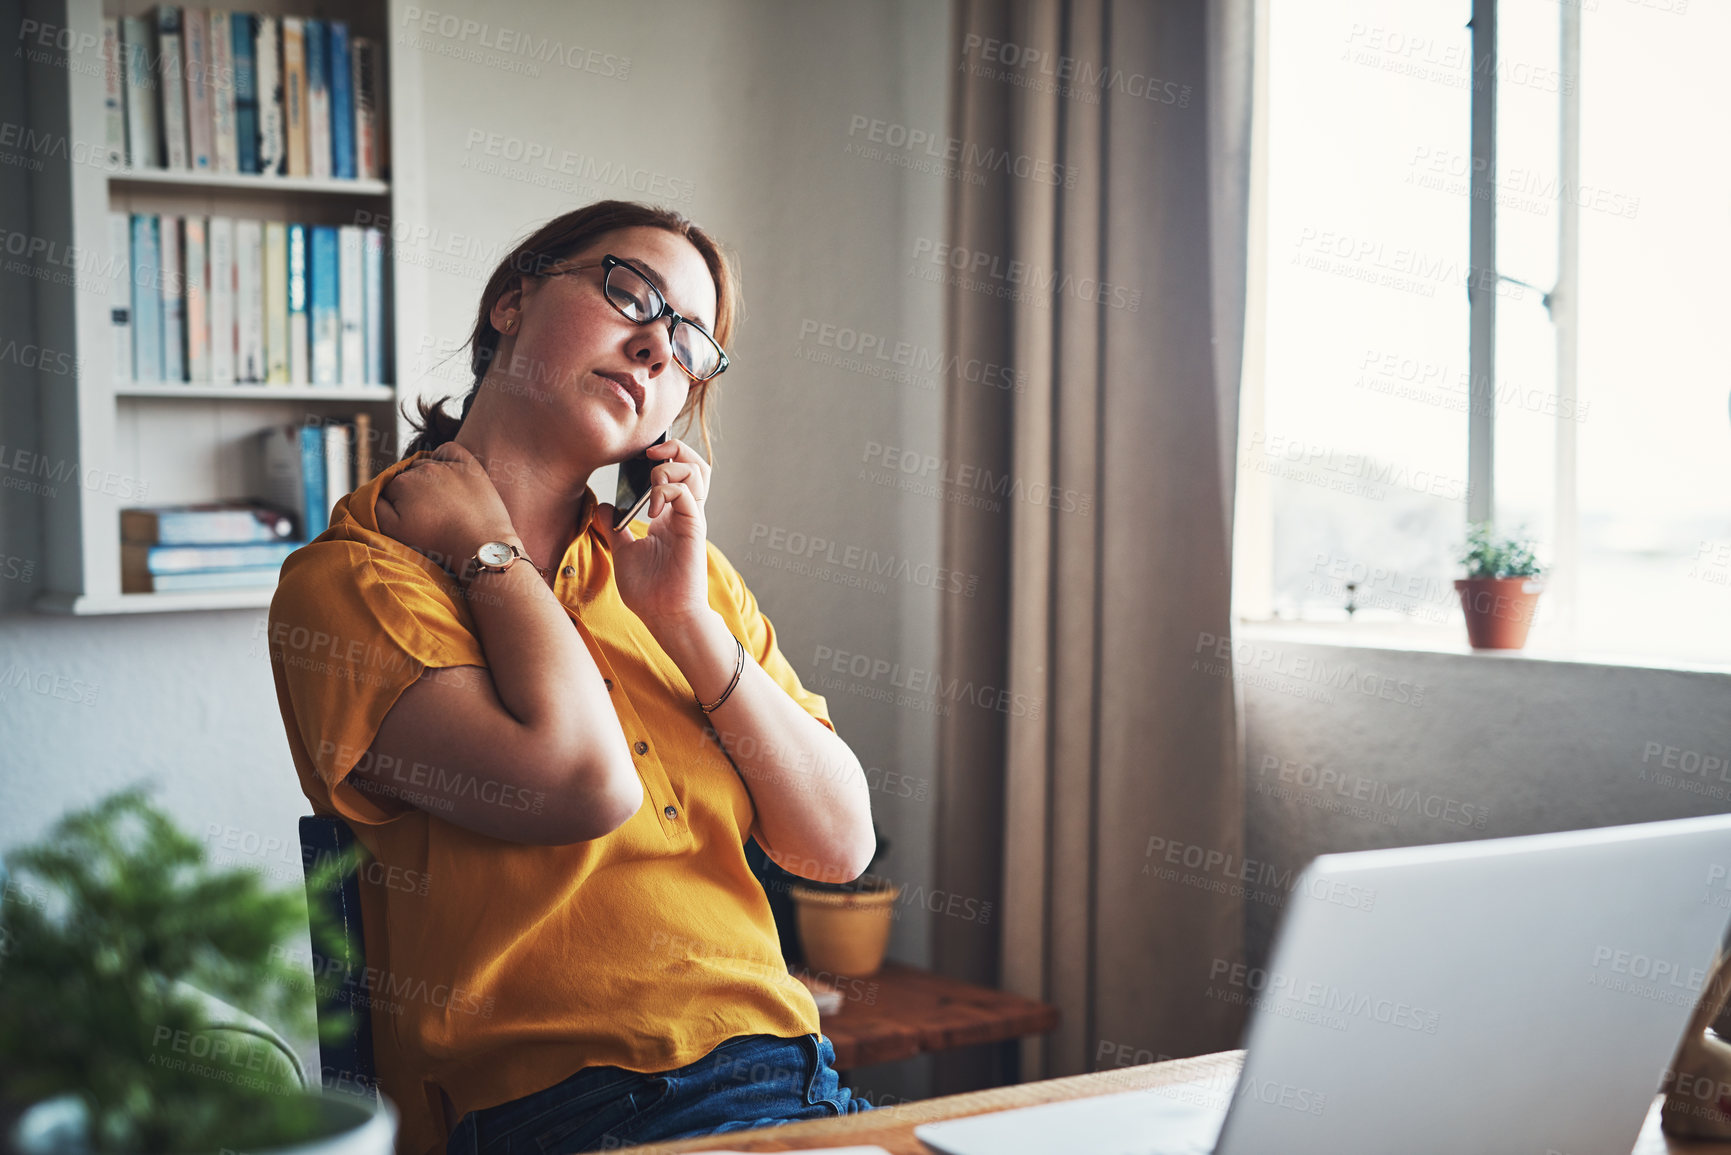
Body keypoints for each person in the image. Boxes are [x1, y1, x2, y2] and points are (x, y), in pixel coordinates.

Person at [266, 200, 877, 1155]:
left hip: (793, 1075)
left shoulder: (682, 574)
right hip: (570, 1108)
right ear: (512, 300)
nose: (654, 349)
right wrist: (484, 547)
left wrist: (684, 622)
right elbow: (584, 783)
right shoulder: (355, 578)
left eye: (690, 345)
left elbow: (839, 842)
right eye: (631, 293)